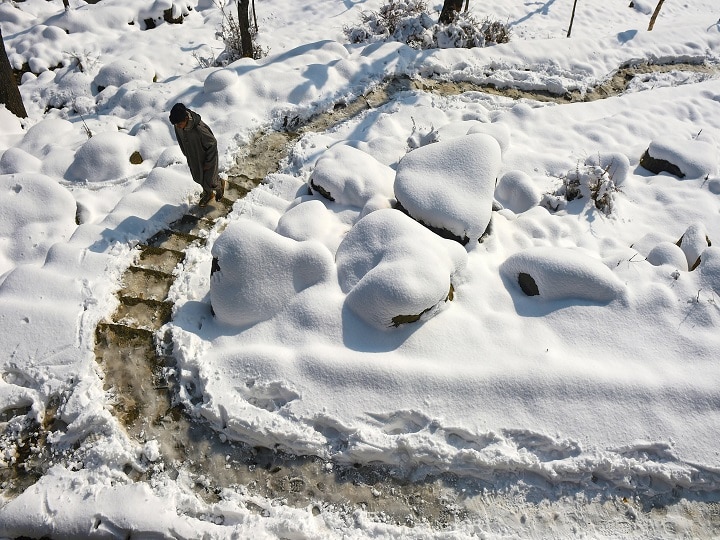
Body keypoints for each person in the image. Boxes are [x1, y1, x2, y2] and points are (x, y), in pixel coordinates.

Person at [169, 103, 224, 206]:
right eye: (175, 125)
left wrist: (209, 163)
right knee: (198, 177)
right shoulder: (178, 125)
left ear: (186, 118)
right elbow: (181, 140)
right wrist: (186, 153)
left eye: (179, 124)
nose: (177, 127)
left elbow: (213, 143)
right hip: (193, 156)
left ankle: (220, 185)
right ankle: (208, 194)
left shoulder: (199, 129)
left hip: (207, 156)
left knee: (211, 181)